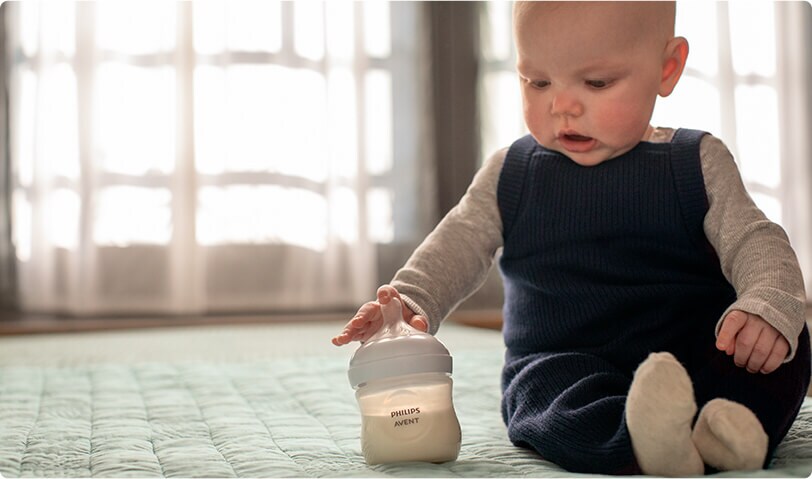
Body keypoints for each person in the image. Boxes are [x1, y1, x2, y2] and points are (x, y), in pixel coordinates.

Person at [332, 1, 811, 476]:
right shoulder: (512, 172)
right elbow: (456, 242)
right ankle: (644, 441)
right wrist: (410, 301)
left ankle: (724, 431)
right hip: (565, 359)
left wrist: (766, 300)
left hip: (691, 353)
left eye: (597, 82)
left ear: (667, 69)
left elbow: (754, 239)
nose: (561, 105)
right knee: (541, 395)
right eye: (537, 81)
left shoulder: (696, 161)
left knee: (778, 347)